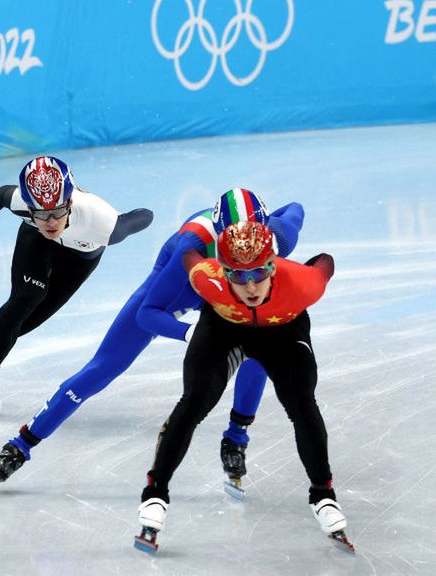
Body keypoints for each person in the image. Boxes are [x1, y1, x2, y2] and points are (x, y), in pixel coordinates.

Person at [0, 189, 304, 492]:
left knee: (262, 346)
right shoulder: (190, 249)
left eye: (254, 251)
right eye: (232, 249)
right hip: (182, 289)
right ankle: (20, 445)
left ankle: (236, 438)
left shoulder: (279, 237)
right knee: (103, 368)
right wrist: (191, 333)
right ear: (219, 238)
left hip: (232, 287)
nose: (243, 256)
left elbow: (294, 209)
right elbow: (147, 315)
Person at [134, 220, 353, 553]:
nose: (250, 286)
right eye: (238, 275)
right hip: (223, 331)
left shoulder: (304, 284)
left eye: (259, 274)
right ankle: (155, 495)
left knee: (301, 402)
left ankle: (323, 495)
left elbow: (325, 262)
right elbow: (190, 256)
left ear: (272, 267)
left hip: (283, 334)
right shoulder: (209, 279)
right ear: (223, 272)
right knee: (194, 402)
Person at [0, 155, 153, 414]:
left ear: (70, 202)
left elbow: (145, 215)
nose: (51, 222)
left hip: (79, 259)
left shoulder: (104, 225)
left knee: (25, 324)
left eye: (57, 212)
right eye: (40, 213)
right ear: (28, 208)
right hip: (36, 242)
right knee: (24, 301)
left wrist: (122, 217)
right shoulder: (21, 202)